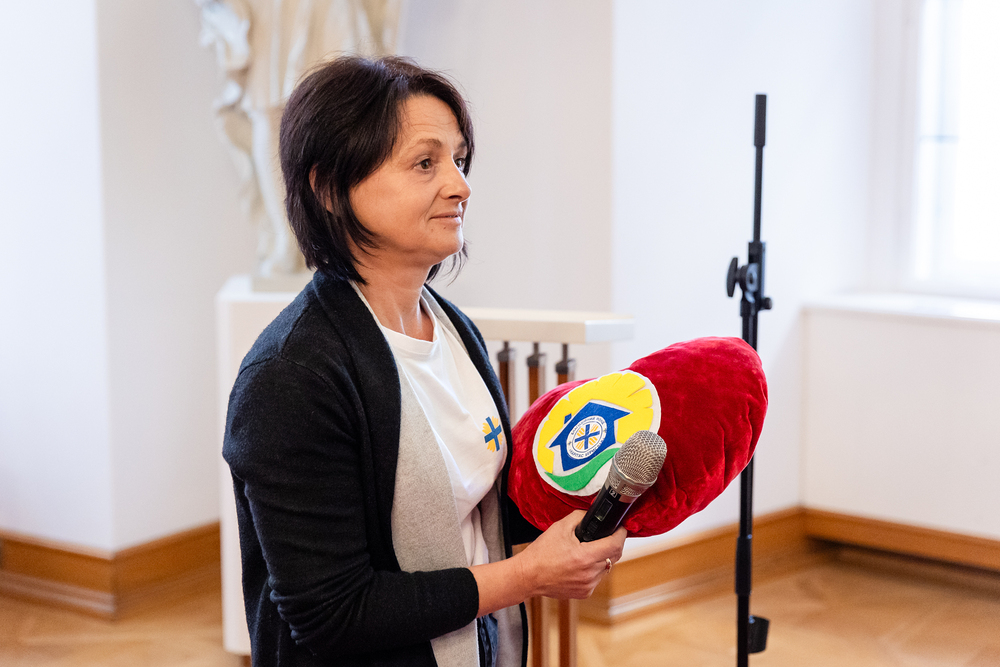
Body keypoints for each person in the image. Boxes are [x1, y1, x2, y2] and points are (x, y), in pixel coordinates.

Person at [223, 55, 626, 667]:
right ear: (328, 187)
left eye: (459, 160)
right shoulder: (290, 378)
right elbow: (334, 614)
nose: (460, 185)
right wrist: (527, 576)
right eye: (424, 163)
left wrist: (596, 475)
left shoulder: (453, 328)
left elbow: (476, 506)